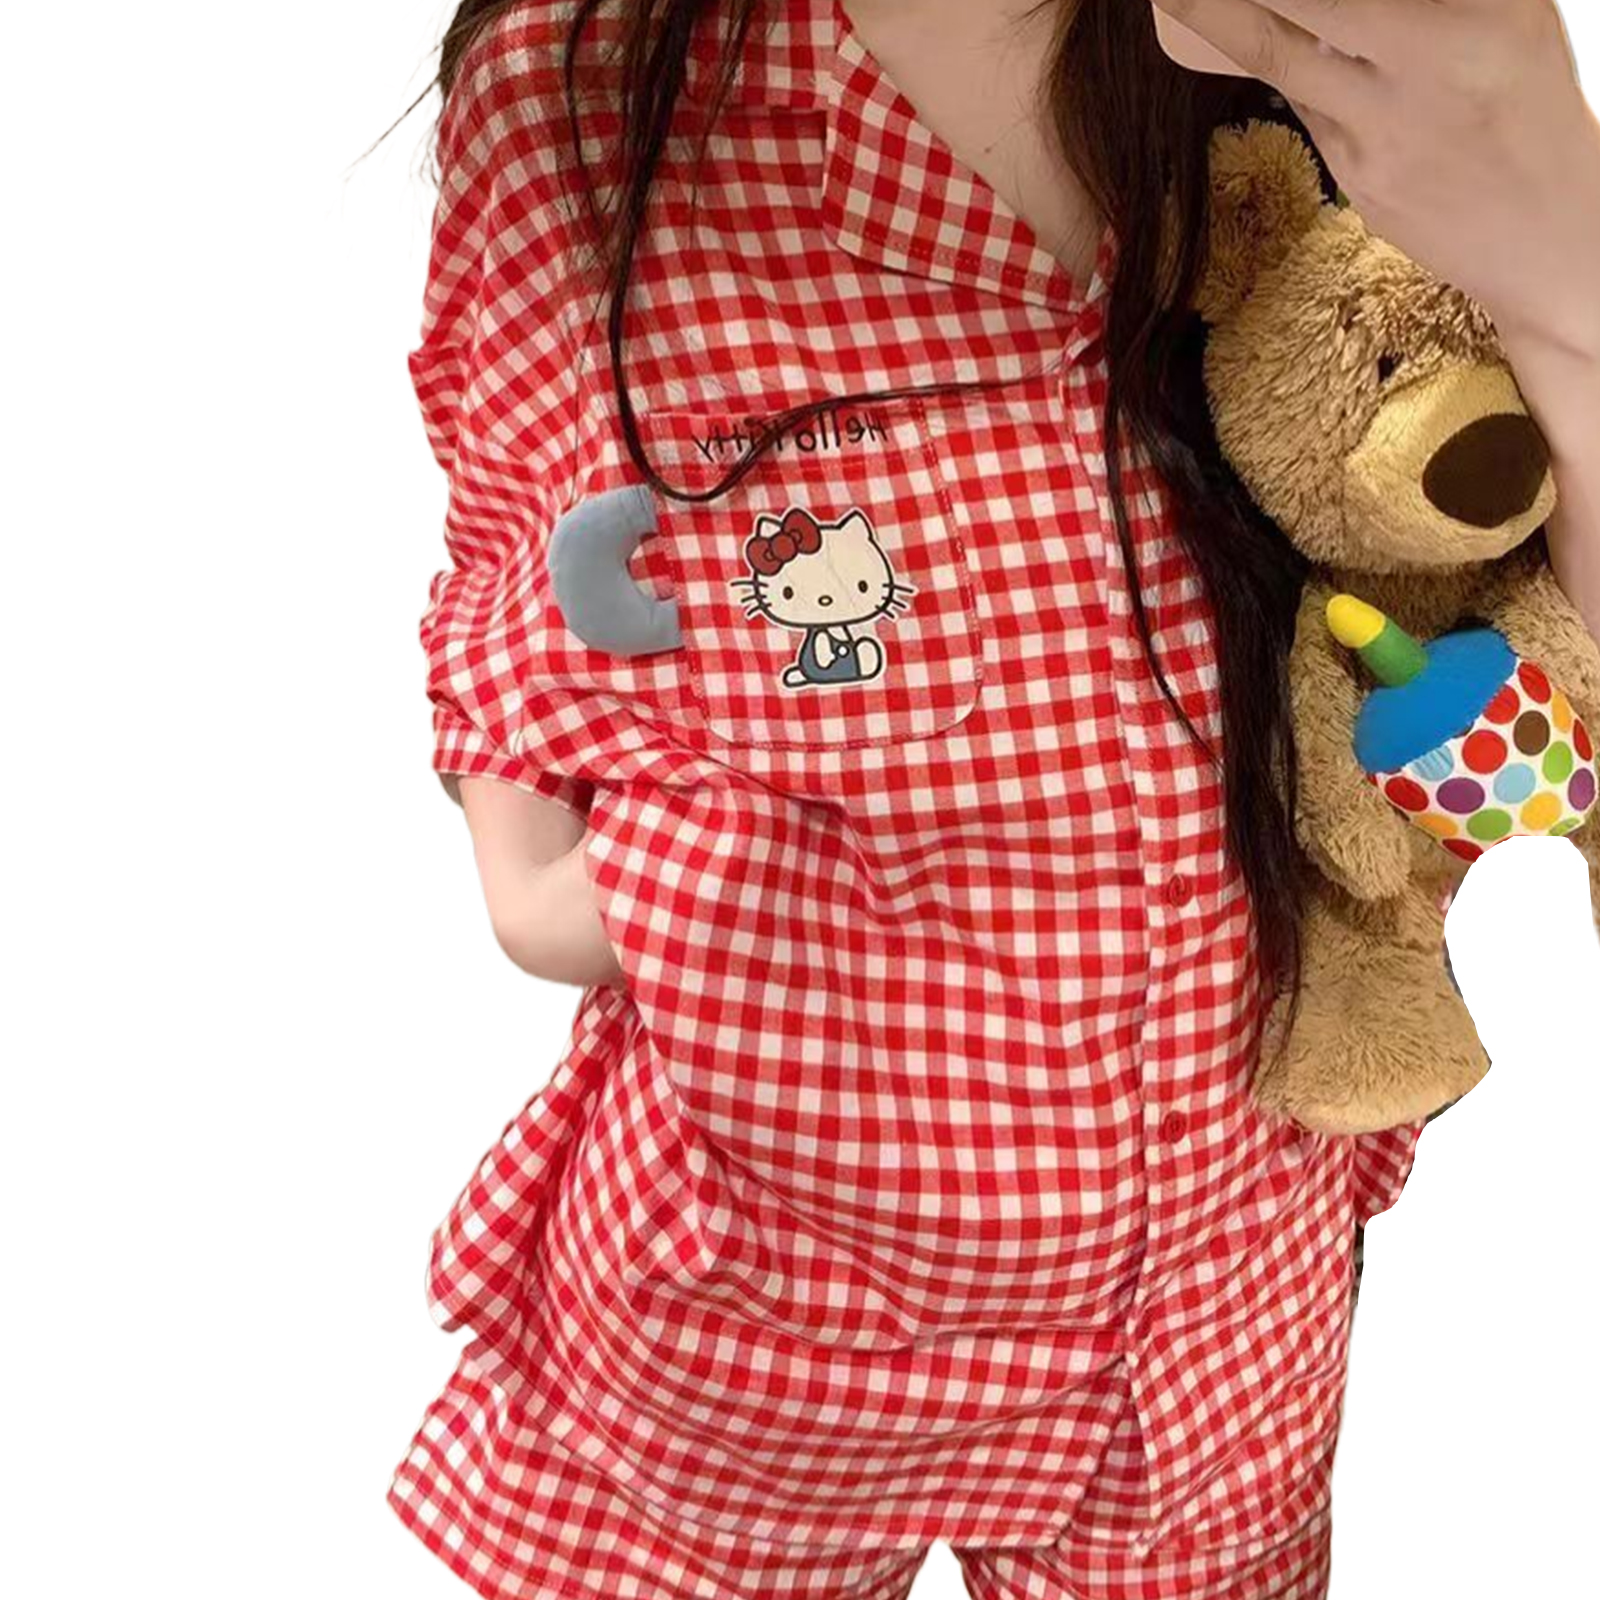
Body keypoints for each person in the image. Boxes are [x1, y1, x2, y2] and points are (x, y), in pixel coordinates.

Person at [385, 3, 1600, 1597]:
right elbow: (519, 514)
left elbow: (1519, 592)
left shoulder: (1342, 42)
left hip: (1220, 1309)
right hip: (762, 1293)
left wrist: (1569, 252)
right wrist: (544, 884)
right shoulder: (593, 79)